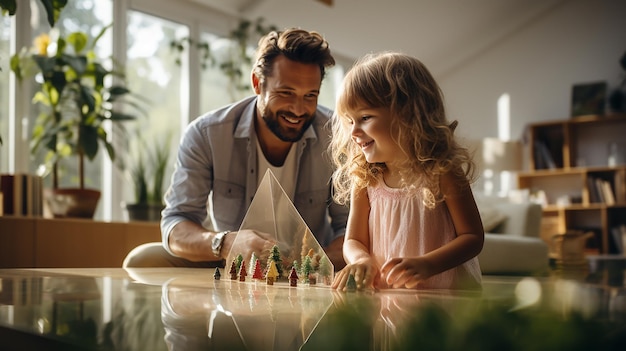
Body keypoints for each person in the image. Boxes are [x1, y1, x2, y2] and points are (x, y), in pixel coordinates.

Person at [123, 28, 348, 270]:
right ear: (256, 84)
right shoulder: (207, 134)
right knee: (142, 261)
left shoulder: (338, 136)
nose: (298, 109)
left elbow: (349, 229)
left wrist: (310, 263)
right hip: (231, 262)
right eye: (286, 93)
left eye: (310, 96)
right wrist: (226, 243)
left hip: (307, 268)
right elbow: (177, 223)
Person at [329, 52, 483, 291]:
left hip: (444, 299)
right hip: (390, 299)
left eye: (365, 117)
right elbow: (353, 240)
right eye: (349, 121)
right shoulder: (366, 179)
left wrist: (427, 265)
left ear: (408, 114)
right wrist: (361, 260)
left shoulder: (442, 172)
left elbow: (472, 238)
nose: (353, 132)